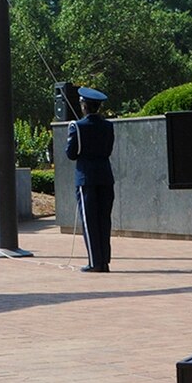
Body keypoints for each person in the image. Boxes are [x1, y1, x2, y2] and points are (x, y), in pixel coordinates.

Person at [66, 87, 115, 273]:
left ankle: (95, 262)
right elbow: (108, 150)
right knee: (104, 220)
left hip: (86, 178)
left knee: (90, 221)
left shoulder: (76, 126)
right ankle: (104, 261)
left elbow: (71, 154)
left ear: (84, 106)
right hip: (105, 176)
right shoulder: (108, 126)